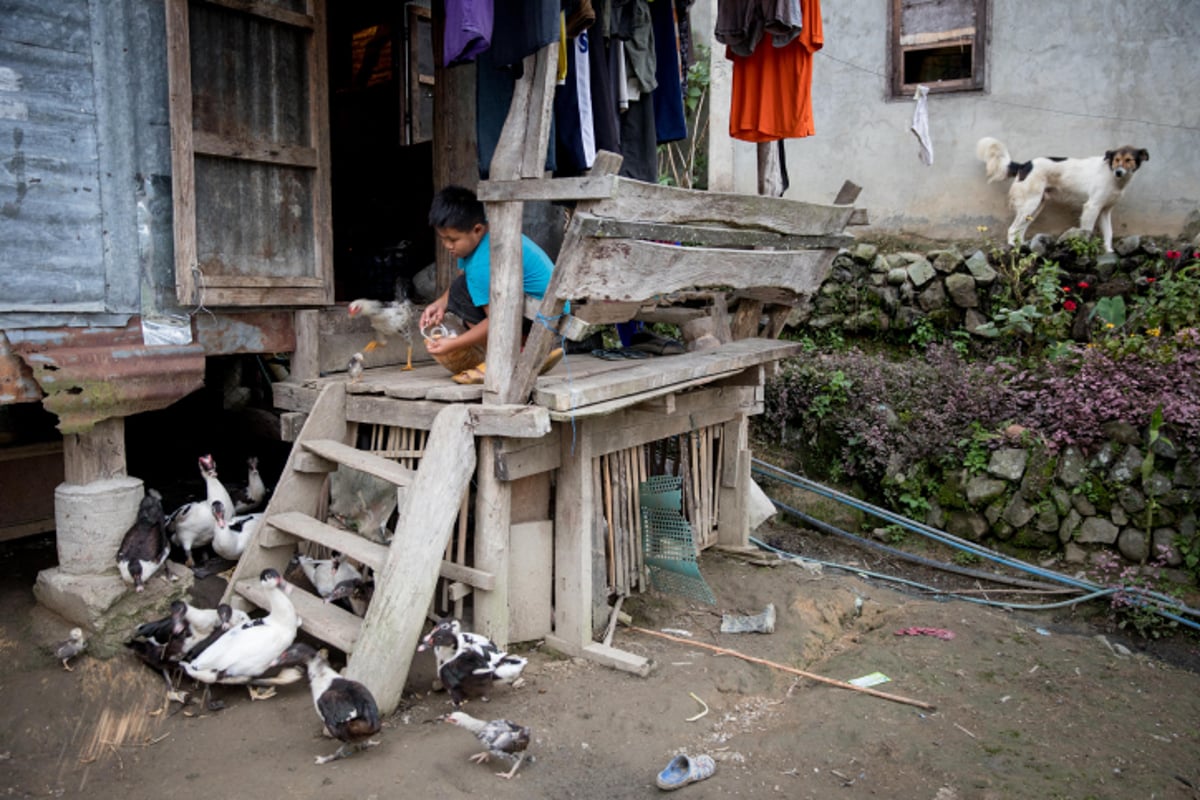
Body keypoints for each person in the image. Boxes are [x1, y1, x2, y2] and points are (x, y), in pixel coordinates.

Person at [420, 185, 563, 384]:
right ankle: (524, 349)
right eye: (442, 238)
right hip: (547, 314)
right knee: (460, 288)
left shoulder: (481, 263)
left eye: (452, 239)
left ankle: (508, 357)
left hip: (542, 317)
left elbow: (496, 319)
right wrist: (440, 303)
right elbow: (464, 277)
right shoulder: (485, 238)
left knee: (462, 293)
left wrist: (454, 344)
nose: (447, 246)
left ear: (477, 229)